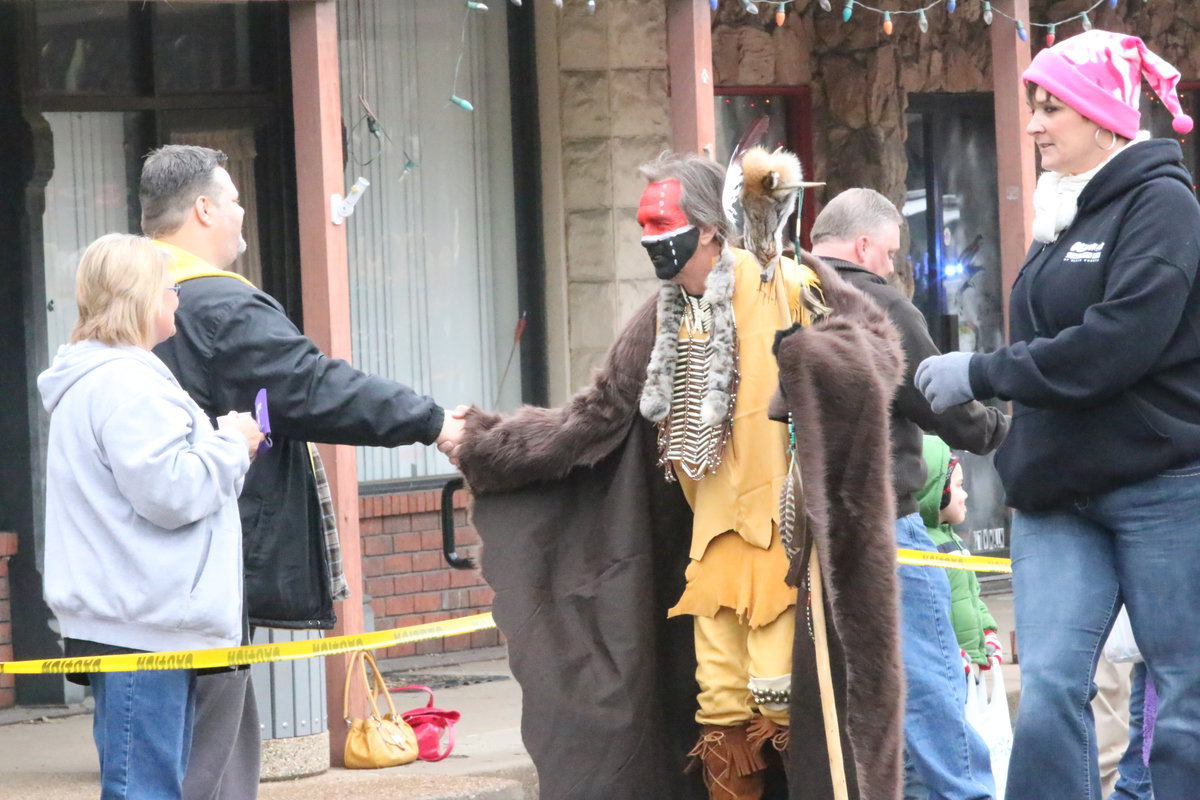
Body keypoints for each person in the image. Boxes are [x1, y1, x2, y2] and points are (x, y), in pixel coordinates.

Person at [450, 149, 906, 799]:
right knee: (719, 711)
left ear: (710, 227)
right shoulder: (663, 315)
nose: (649, 238)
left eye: (662, 223)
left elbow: (876, 352)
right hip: (711, 549)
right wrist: (488, 444)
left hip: (786, 548)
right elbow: (597, 414)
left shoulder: (779, 282)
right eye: (642, 225)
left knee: (789, 707)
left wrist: (814, 361)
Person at [915, 30, 1200, 800]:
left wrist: (981, 371)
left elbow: (1112, 346)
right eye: (1034, 105)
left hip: (1162, 490)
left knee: (1183, 700)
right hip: (1055, 496)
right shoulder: (1060, 212)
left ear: (1104, 115)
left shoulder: (1163, 207)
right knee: (1043, 693)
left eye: (1052, 106)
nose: (1035, 122)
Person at [138, 144, 467, 800]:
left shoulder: (125, 300)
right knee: (207, 759)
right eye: (232, 200)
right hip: (200, 570)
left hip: (139, 571)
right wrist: (432, 422)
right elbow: (313, 388)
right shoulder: (215, 306)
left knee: (178, 748)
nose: (240, 213)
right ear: (203, 208)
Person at [37, 234, 263, 800]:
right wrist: (232, 442)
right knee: (147, 789)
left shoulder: (106, 379)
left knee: (149, 781)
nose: (177, 301)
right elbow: (172, 493)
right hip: (145, 624)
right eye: (169, 289)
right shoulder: (129, 385)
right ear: (140, 298)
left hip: (134, 615)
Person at [810, 188, 1008, 800]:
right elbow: (945, 406)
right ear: (863, 246)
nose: (893, 267)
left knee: (866, 708)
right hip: (882, 528)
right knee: (930, 693)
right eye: (891, 253)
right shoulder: (872, 301)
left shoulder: (778, 292)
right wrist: (1008, 423)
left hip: (799, 534)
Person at [918, 436, 1004, 674]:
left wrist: (987, 632)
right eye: (958, 486)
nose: (965, 495)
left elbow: (972, 595)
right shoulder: (922, 548)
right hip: (945, 668)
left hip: (967, 665)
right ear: (936, 489)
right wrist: (945, 653)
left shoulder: (953, 541)